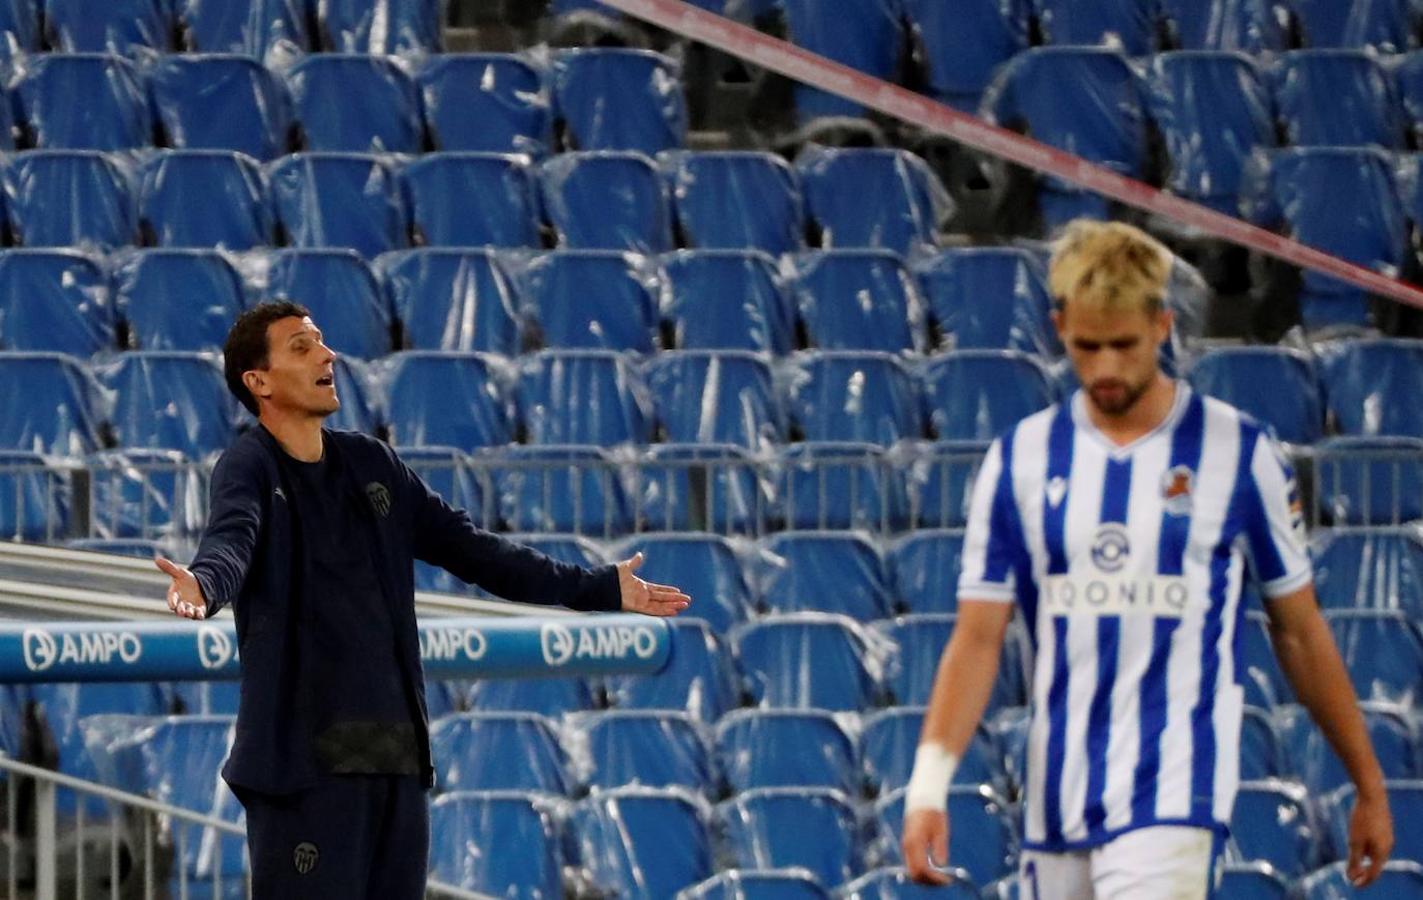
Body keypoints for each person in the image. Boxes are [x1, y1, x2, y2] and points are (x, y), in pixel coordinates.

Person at [901, 221, 1393, 897]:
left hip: (1176, 787)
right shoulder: (1019, 458)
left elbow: (1299, 630)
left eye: (1123, 345)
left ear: (1163, 326)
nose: (1104, 367)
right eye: (1085, 347)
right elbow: (976, 637)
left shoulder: (1236, 451)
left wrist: (1366, 782)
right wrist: (927, 788)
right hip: (1059, 793)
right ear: (1058, 327)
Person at [156, 301, 691, 898]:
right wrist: (204, 584)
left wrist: (599, 587)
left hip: (394, 756)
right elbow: (234, 538)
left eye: (323, 342)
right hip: (304, 768)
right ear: (258, 382)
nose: (328, 355)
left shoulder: (372, 462)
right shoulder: (248, 465)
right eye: (302, 348)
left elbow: (479, 553)